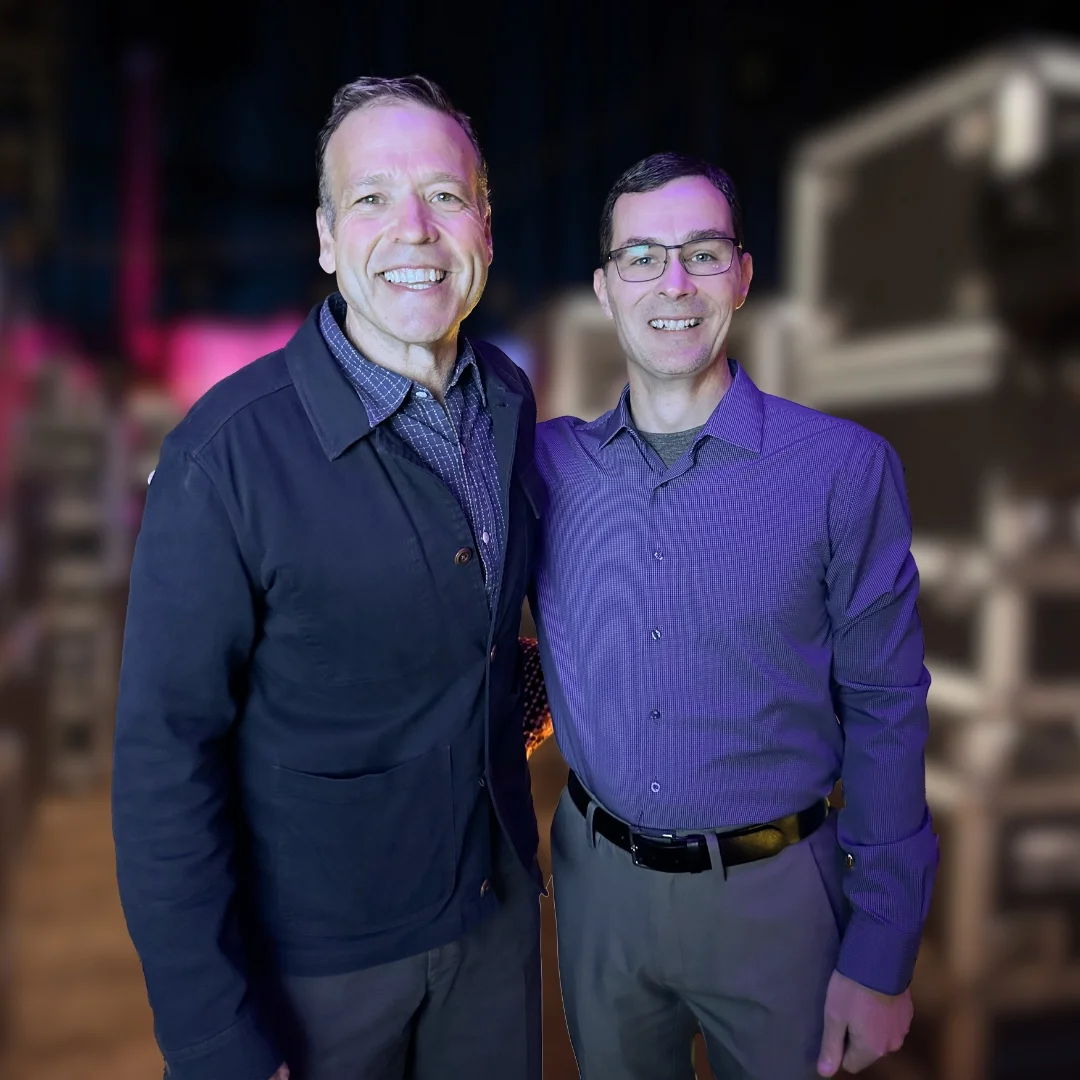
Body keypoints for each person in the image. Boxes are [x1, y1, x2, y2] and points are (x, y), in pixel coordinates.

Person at [112, 75, 548, 1080]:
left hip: (494, 926)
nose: (414, 230)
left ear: (484, 222)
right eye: (371, 199)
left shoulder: (510, 404)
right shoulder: (223, 457)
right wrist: (212, 1037)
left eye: (444, 196)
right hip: (317, 972)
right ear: (324, 237)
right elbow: (163, 760)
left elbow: (473, 635)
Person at [530, 152, 939, 1079]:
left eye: (701, 253)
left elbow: (888, 709)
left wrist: (882, 952)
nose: (671, 283)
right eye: (640, 257)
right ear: (604, 287)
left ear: (744, 276)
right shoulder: (548, 469)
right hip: (600, 894)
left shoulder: (843, 470)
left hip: (779, 903)